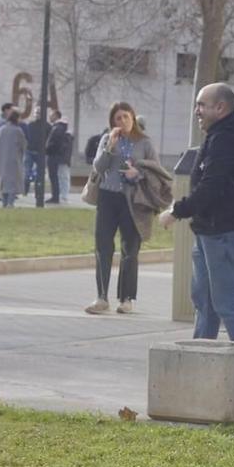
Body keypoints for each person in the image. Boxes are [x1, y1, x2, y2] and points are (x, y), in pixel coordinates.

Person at [160, 83, 234, 342]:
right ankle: (200, 359)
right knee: (205, 303)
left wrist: (177, 211)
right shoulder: (222, 134)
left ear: (220, 108)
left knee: (229, 303)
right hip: (211, 231)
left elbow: (212, 185)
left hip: (225, 233)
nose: (197, 111)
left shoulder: (229, 137)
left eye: (201, 105)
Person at [86, 102, 159, 315]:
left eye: (126, 117)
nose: (123, 122)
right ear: (112, 122)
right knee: (103, 246)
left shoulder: (144, 142)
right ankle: (101, 297)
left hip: (133, 200)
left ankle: (127, 298)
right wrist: (109, 148)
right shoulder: (107, 139)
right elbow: (98, 167)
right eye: (118, 118)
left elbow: (155, 170)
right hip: (108, 197)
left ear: (133, 118)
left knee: (130, 250)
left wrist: (137, 174)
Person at [0, 104, 28, 209]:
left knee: (4, 181)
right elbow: (23, 145)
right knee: (13, 182)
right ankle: (10, 203)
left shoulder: (2, 129)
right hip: (14, 159)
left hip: (2, 158)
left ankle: (4, 203)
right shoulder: (18, 131)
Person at [24, 110, 51, 206]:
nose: (37, 115)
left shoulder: (47, 126)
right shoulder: (30, 125)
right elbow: (26, 137)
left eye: (39, 113)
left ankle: (38, 192)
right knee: (27, 171)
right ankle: (25, 189)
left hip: (41, 152)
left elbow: (49, 138)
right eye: (36, 113)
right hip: (30, 151)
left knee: (39, 174)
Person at [47, 109, 73, 204]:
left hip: (55, 156)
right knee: (60, 176)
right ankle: (58, 196)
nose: (50, 116)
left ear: (56, 116)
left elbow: (55, 143)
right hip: (59, 156)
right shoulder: (61, 128)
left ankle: (56, 196)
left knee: (57, 177)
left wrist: (47, 149)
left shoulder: (58, 128)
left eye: (51, 115)